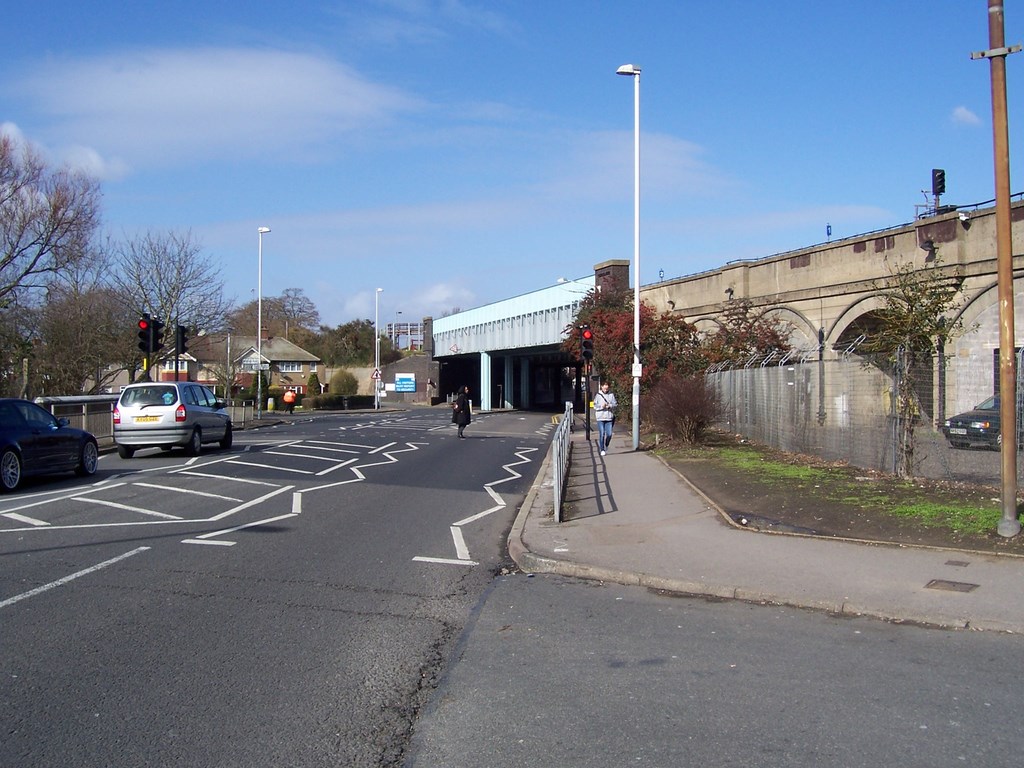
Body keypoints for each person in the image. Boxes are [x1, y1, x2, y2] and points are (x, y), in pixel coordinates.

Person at [594, 381, 617, 456]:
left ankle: (606, 444)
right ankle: (602, 449)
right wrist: (601, 407)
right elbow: (594, 406)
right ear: (601, 387)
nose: (605, 388)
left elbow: (615, 404)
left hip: (609, 417)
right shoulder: (598, 395)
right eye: (604, 386)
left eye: (607, 386)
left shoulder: (611, 395)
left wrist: (609, 406)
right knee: (602, 433)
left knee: (609, 434)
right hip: (600, 417)